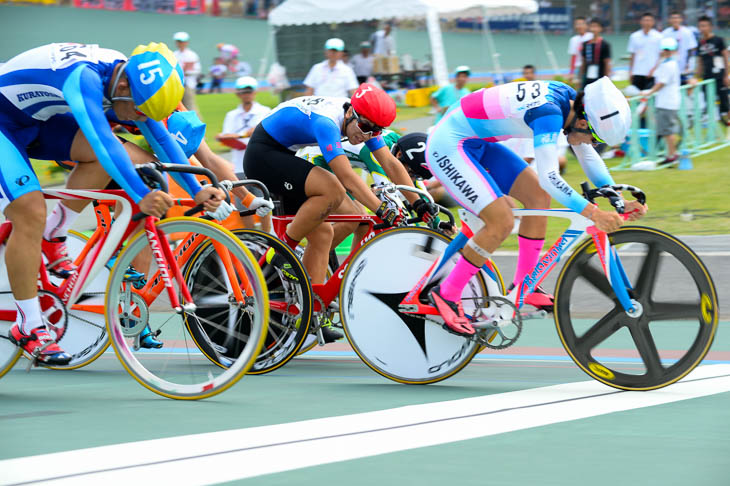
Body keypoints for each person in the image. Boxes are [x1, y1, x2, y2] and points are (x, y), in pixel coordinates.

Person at [0, 42, 228, 363]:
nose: (139, 118)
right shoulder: (86, 78)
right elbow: (104, 142)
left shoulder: (130, 82)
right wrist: (142, 196)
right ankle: (30, 325)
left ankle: (54, 235)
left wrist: (196, 189)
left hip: (36, 119)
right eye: (138, 109)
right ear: (123, 86)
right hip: (3, 123)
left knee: (94, 161)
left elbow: (161, 138)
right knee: (30, 210)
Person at [424, 77, 647, 333]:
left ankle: (524, 285)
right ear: (584, 122)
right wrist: (594, 213)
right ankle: (447, 293)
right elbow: (550, 177)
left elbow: (584, 155)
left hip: (477, 142)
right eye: (594, 138)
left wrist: (617, 198)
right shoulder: (549, 113)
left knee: (538, 197)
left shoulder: (571, 103)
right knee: (501, 221)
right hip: (450, 145)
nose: (591, 143)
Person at [243, 85, 431, 341]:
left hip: (286, 154)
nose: (368, 135)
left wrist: (419, 204)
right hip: (263, 155)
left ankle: (310, 309)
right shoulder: (327, 122)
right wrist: (381, 209)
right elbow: (346, 178)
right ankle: (282, 252)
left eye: (375, 131)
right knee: (333, 189)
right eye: (365, 128)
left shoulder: (364, 121)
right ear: (352, 113)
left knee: (331, 230)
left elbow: (391, 164)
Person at [217, 76, 273, 230]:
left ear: (254, 92)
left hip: (259, 165)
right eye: (243, 92)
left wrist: (241, 136)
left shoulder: (264, 111)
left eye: (248, 91)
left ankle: (267, 239)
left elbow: (263, 133)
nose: (246, 95)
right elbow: (225, 136)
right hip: (239, 166)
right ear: (238, 94)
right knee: (244, 207)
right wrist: (244, 136)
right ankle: (252, 239)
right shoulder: (232, 115)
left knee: (264, 204)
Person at [643, 37, 682, 167]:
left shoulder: (669, 65)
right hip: (667, 101)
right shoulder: (668, 63)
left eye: (669, 50)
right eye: (665, 49)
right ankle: (671, 154)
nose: (666, 52)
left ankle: (672, 155)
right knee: (666, 131)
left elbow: (661, 83)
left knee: (667, 131)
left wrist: (649, 92)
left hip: (667, 102)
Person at [696, 15, 729, 125]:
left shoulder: (718, 40)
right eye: (700, 26)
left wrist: (727, 75)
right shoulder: (700, 43)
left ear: (710, 27)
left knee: (725, 104)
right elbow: (699, 61)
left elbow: (725, 57)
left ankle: (728, 128)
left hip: (720, 77)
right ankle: (713, 130)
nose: (702, 28)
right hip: (707, 78)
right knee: (708, 103)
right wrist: (697, 77)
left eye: (704, 26)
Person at [628, 12, 663, 90]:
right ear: (641, 22)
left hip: (652, 74)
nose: (647, 22)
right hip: (637, 72)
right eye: (645, 20)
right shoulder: (634, 36)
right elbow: (633, 55)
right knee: (637, 98)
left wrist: (654, 69)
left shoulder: (659, 37)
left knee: (649, 98)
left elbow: (661, 56)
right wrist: (630, 71)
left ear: (653, 22)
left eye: (649, 20)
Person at [662, 11, 698, 84]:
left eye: (677, 18)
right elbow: (662, 51)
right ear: (669, 20)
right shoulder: (665, 33)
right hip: (670, 67)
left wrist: (688, 64)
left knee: (686, 89)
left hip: (684, 68)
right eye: (673, 18)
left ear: (681, 19)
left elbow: (691, 49)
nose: (675, 20)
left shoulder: (687, 32)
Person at [173, 31, 201, 115]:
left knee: (190, 107)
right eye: (178, 41)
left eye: (182, 41)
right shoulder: (174, 54)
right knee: (177, 108)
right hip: (176, 84)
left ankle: (197, 125)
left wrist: (185, 72)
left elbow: (196, 70)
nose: (180, 43)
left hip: (188, 84)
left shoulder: (191, 55)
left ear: (186, 42)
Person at [579, 19, 611, 89]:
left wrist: (607, 78)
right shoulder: (585, 44)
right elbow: (583, 61)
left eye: (596, 26)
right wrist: (580, 78)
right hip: (587, 76)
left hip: (600, 76)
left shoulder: (605, 44)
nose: (594, 29)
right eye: (592, 26)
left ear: (601, 28)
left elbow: (607, 62)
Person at [568, 17, 593, 84]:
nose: (579, 26)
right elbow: (573, 56)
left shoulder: (591, 36)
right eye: (577, 24)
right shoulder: (573, 39)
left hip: (591, 66)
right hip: (580, 68)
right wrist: (571, 72)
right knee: (581, 87)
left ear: (586, 26)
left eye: (582, 24)